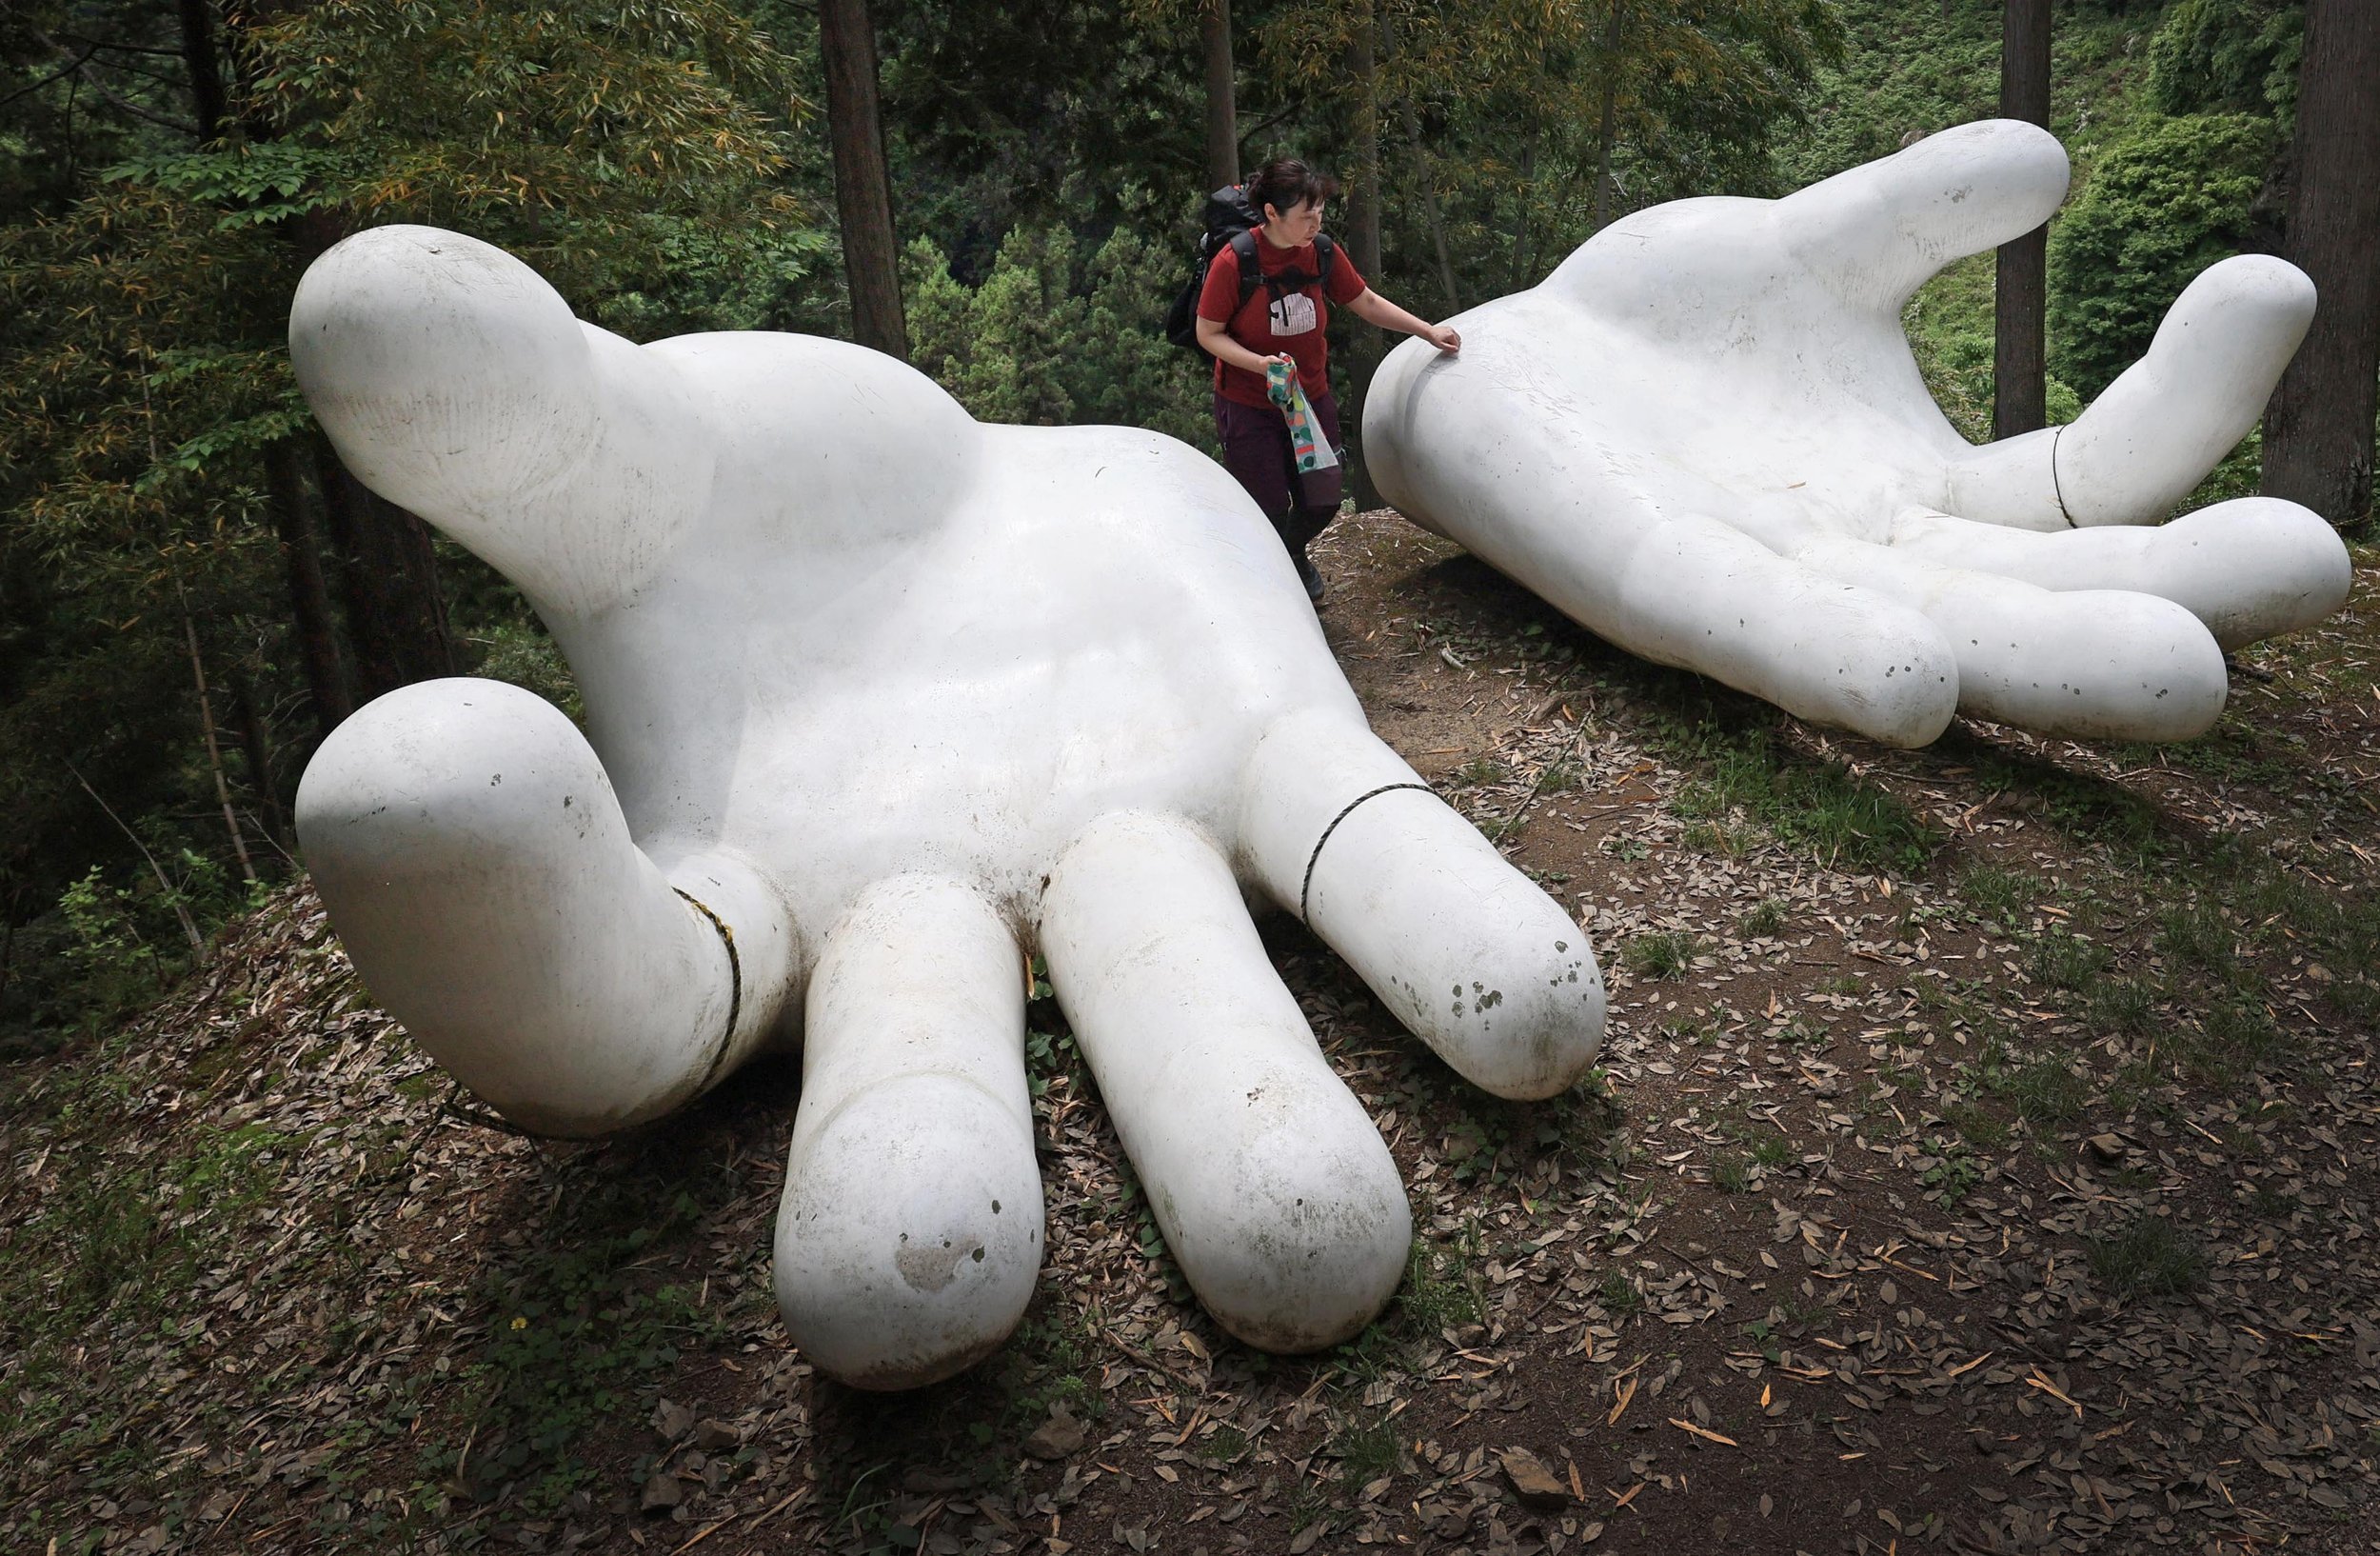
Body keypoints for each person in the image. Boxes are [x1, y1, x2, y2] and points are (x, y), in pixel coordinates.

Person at [1196, 158, 1461, 603]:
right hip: (1249, 403)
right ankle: (1270, 590)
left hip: (1308, 400)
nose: (1315, 223)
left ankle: (1290, 556)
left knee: (1322, 499)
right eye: (1305, 215)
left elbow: (1366, 301)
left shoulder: (1320, 251)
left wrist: (1427, 330)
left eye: (1319, 212)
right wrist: (1259, 364)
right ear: (1271, 214)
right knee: (1268, 506)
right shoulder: (1236, 260)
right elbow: (1209, 333)